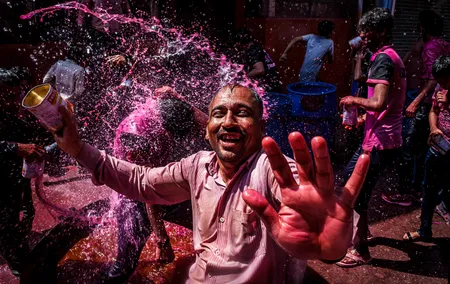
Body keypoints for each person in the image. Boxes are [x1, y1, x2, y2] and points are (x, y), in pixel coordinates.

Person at [49, 83, 370, 282]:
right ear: (207, 127)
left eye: (241, 113)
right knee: (131, 238)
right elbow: (141, 180)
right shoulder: (197, 167)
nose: (228, 121)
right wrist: (78, 149)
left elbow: (315, 218)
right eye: (220, 114)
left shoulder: (272, 171)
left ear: (260, 127)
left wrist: (329, 247)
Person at [104, 90, 208, 283]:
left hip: (159, 181)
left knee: (208, 224)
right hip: (134, 195)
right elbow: (148, 192)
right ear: (164, 128)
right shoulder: (136, 137)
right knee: (125, 265)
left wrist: (179, 96)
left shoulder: (166, 100)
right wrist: (163, 241)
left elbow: (208, 125)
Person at [337, 8, 406, 267]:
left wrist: (353, 100)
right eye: (362, 30)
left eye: (369, 30)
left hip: (380, 140)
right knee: (352, 182)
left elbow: (378, 101)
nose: (363, 35)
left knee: (354, 191)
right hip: (384, 136)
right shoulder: (389, 57)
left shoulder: (383, 60)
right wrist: (364, 120)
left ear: (383, 32)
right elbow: (389, 102)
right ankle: (362, 231)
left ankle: (361, 251)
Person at [384, 10, 450, 206]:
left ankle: (406, 192)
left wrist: (416, 101)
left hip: (427, 102)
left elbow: (432, 78)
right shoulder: (442, 44)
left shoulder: (430, 48)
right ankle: (422, 188)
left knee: (409, 147)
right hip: (436, 103)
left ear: (422, 27)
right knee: (424, 148)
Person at [0, 68, 48, 277]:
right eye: (7, 96)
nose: (13, 100)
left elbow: (30, 135)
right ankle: (20, 265)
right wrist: (15, 148)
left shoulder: (12, 113)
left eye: (17, 94)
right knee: (7, 223)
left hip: (14, 176)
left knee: (23, 213)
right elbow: (15, 145)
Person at [403, 55, 450, 241]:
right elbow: (433, 110)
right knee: (428, 189)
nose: (442, 84)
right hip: (438, 147)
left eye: (445, 80)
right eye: (439, 81)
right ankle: (424, 230)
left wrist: (449, 103)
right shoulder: (440, 87)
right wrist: (433, 128)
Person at [234, 28, 282, 93]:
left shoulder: (252, 51)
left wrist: (244, 78)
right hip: (275, 83)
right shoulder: (256, 47)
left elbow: (260, 70)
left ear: (240, 42)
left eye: (236, 42)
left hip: (268, 87)